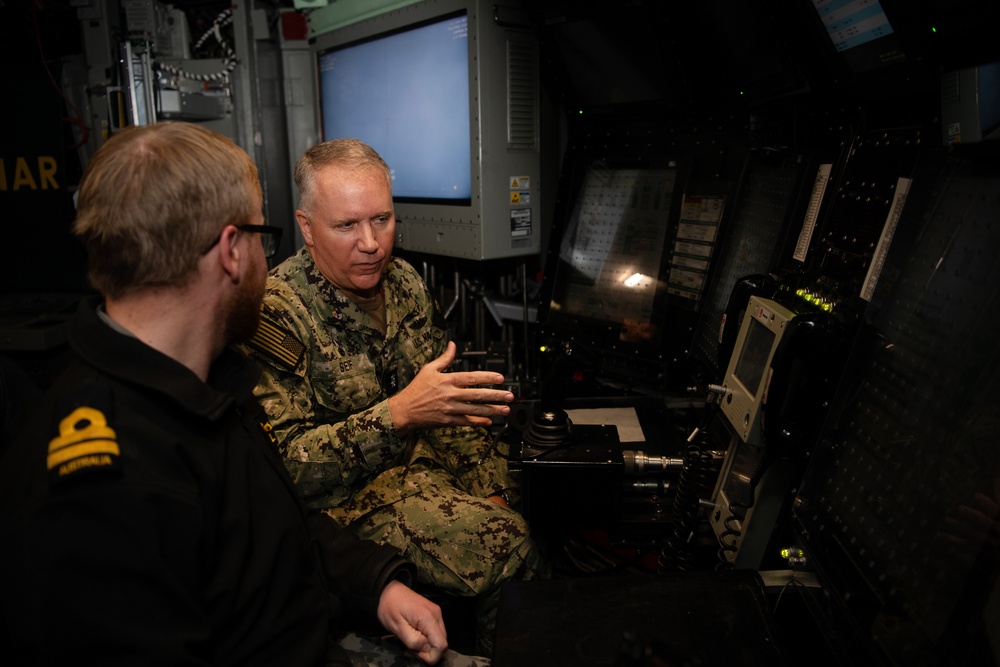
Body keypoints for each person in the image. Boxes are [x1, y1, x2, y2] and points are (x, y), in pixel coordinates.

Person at [0, 122, 477, 667]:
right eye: (259, 235)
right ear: (232, 251)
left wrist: (376, 584)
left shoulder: (202, 387)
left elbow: (276, 525)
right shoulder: (105, 487)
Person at [244, 138, 548, 655]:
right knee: (512, 549)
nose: (372, 243)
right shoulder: (276, 312)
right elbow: (284, 469)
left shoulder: (404, 283)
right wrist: (398, 415)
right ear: (307, 227)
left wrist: (492, 487)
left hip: (429, 472)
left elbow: (450, 407)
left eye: (382, 220)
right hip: (348, 508)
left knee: (542, 496)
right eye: (346, 226)